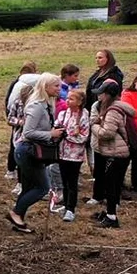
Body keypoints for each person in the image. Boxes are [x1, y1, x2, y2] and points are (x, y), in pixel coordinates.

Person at [10, 74, 64, 234]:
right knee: (42, 188)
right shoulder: (37, 106)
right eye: (56, 86)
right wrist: (50, 134)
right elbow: (28, 132)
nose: (59, 89)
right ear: (45, 87)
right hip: (27, 151)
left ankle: (18, 221)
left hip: (33, 150)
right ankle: (15, 213)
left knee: (28, 187)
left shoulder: (47, 105)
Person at [89, 81, 134, 228]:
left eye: (102, 93)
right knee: (111, 184)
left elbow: (107, 133)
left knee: (111, 185)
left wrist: (94, 126)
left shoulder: (113, 111)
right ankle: (109, 212)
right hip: (117, 151)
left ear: (108, 95)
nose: (99, 95)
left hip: (117, 152)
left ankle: (112, 216)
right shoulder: (117, 108)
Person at [54, 88, 91, 222]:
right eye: (67, 98)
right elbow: (57, 126)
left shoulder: (84, 116)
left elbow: (83, 137)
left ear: (80, 102)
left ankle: (71, 208)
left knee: (72, 182)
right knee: (64, 181)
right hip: (62, 153)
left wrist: (68, 136)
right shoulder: (64, 113)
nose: (68, 101)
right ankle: (65, 205)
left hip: (75, 156)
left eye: (71, 99)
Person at [3, 61, 39, 179]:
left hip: (17, 120)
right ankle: (16, 172)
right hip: (21, 122)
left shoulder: (16, 83)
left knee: (14, 145)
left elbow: (8, 100)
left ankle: (11, 170)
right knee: (19, 147)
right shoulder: (28, 84)